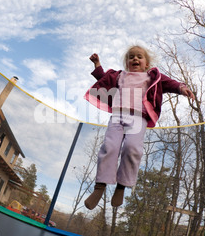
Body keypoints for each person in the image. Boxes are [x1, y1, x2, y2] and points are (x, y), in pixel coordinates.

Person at [84, 45, 195, 210]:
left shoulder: (152, 77)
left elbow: (171, 84)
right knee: (110, 147)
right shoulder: (120, 75)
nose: (135, 59)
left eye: (139, 57)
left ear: (146, 64)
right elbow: (103, 79)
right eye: (131, 57)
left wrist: (181, 88)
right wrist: (97, 64)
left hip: (138, 118)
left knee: (132, 148)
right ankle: (100, 187)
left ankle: (121, 186)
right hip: (117, 116)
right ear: (127, 62)